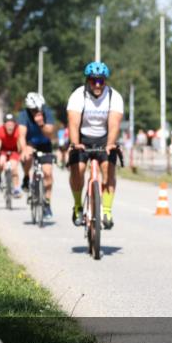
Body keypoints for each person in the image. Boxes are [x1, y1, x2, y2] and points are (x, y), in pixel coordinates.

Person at [66, 61, 124, 229]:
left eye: (101, 81)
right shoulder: (78, 95)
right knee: (79, 170)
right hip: (83, 138)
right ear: (88, 80)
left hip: (104, 138)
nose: (97, 85)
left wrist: (110, 144)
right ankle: (77, 206)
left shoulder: (114, 96)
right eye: (93, 81)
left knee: (108, 171)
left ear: (105, 81)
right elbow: (73, 122)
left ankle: (106, 210)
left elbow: (114, 124)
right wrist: (75, 143)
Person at [18, 92, 56, 219]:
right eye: (33, 110)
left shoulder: (47, 112)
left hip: (45, 144)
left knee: (48, 173)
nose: (36, 111)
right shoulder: (23, 115)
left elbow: (50, 134)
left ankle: (47, 203)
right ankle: (26, 176)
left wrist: (41, 124)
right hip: (30, 143)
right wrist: (23, 150)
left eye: (38, 109)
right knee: (27, 156)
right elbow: (21, 135)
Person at [0, 113, 23, 196]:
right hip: (3, 150)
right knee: (1, 162)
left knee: (14, 168)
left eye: (12, 123)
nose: (10, 125)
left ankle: (16, 188)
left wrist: (21, 152)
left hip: (14, 151)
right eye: (8, 123)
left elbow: (20, 144)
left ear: (15, 123)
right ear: (4, 124)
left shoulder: (18, 130)